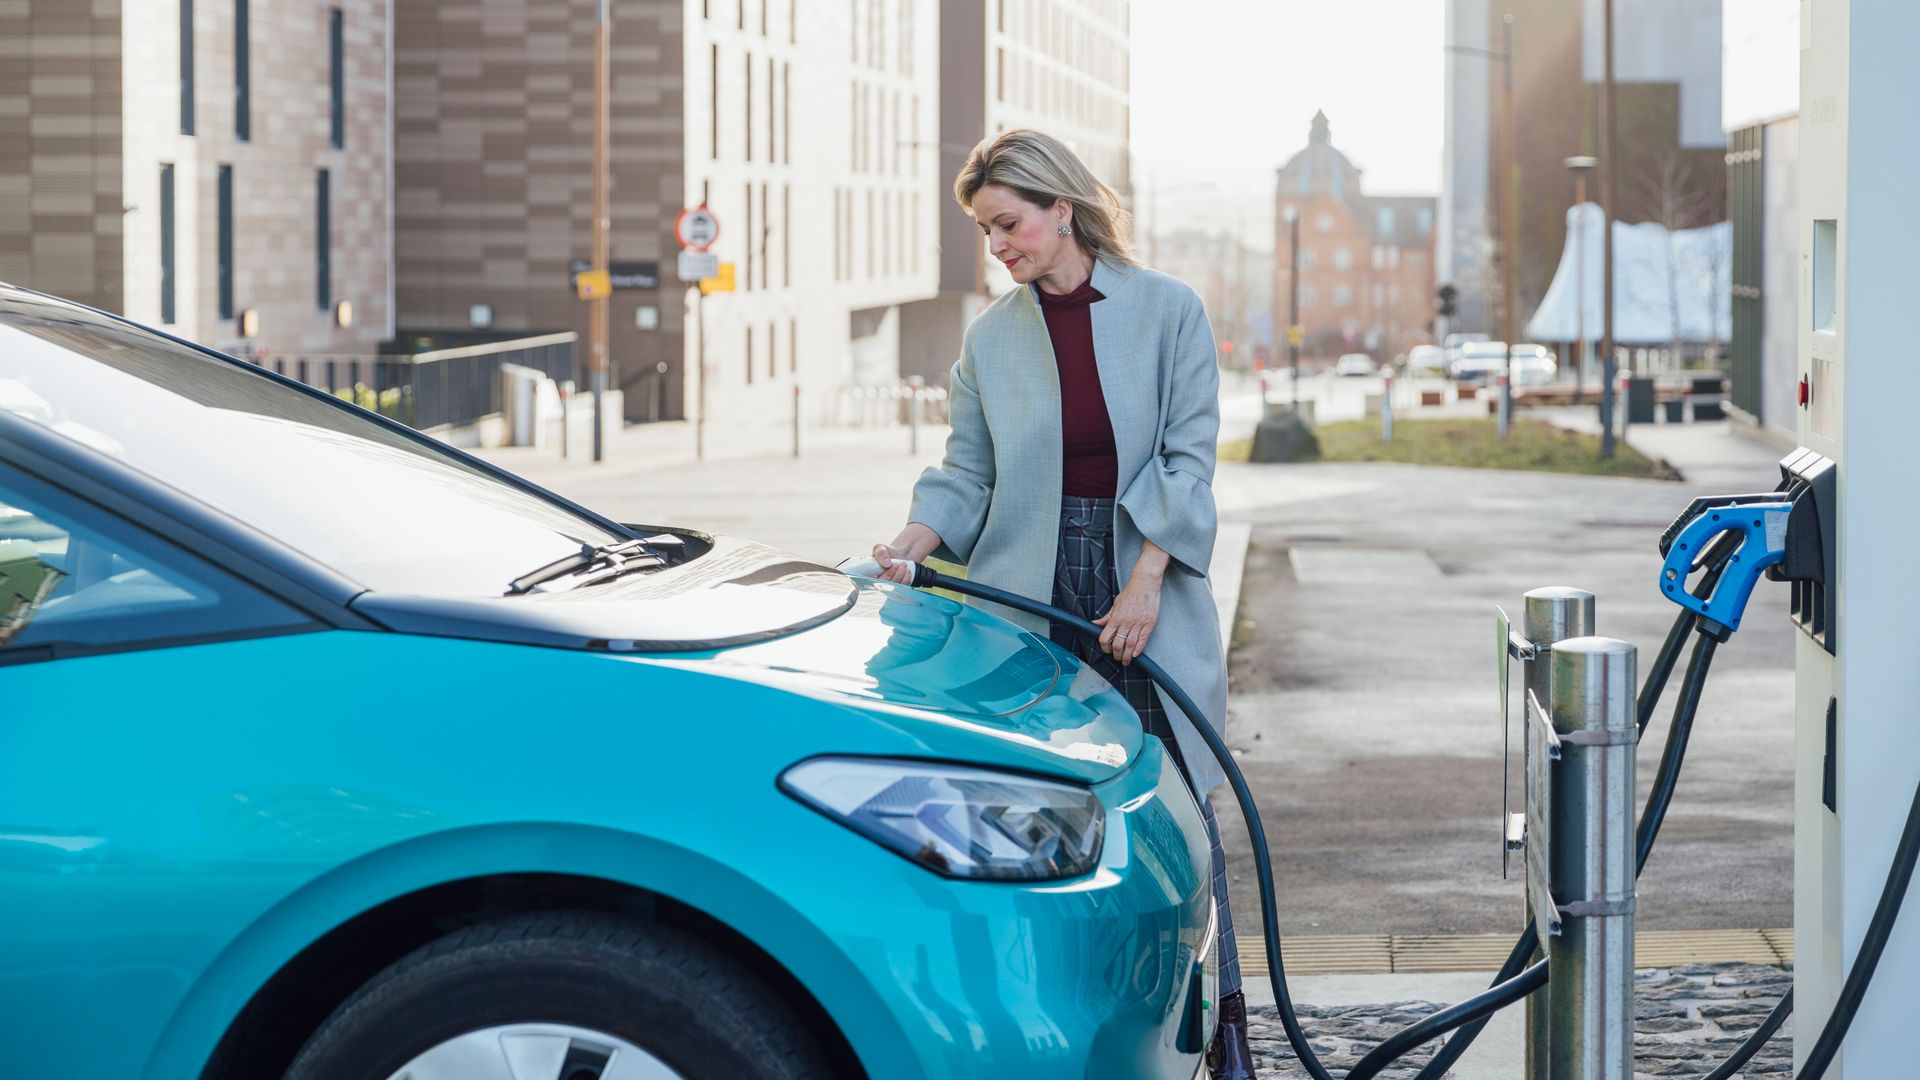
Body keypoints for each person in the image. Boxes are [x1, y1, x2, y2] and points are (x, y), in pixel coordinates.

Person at [870, 129, 1254, 1079]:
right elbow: (967, 470)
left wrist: (1143, 584)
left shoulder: (1168, 310)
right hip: (1025, 599)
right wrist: (913, 541)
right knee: (1048, 814)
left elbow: (1186, 461)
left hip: (1141, 581)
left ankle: (1227, 1031)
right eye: (986, 230)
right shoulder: (993, 337)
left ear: (1062, 210)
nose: (998, 246)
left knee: (1180, 813)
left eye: (1009, 224)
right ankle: (1076, 1035)